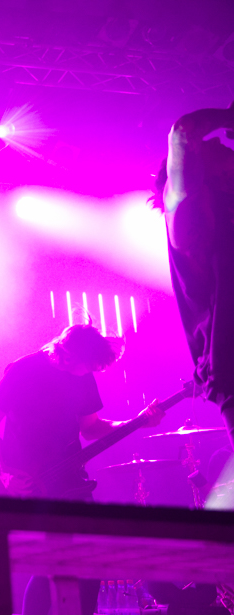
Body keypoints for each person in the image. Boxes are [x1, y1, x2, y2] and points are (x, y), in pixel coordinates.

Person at [0, 324, 163, 615]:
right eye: (88, 366)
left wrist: (137, 423)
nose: (90, 373)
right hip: (27, 481)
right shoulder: (24, 369)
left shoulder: (82, 376)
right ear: (66, 355)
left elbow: (91, 428)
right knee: (50, 560)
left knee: (90, 565)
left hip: (68, 478)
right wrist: (4, 473)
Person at [155, 100, 234, 450]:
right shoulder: (185, 211)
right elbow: (184, 132)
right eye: (210, 144)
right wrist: (229, 117)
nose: (218, 140)